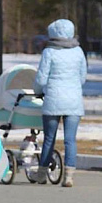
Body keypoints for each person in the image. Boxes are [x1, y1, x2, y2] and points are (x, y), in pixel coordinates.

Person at [33, 19, 87, 187]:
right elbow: (82, 78)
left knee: (49, 138)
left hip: (53, 100)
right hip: (74, 101)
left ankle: (42, 173)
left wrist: (38, 91)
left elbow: (41, 79)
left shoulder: (49, 52)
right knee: (70, 140)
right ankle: (69, 176)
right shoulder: (78, 51)